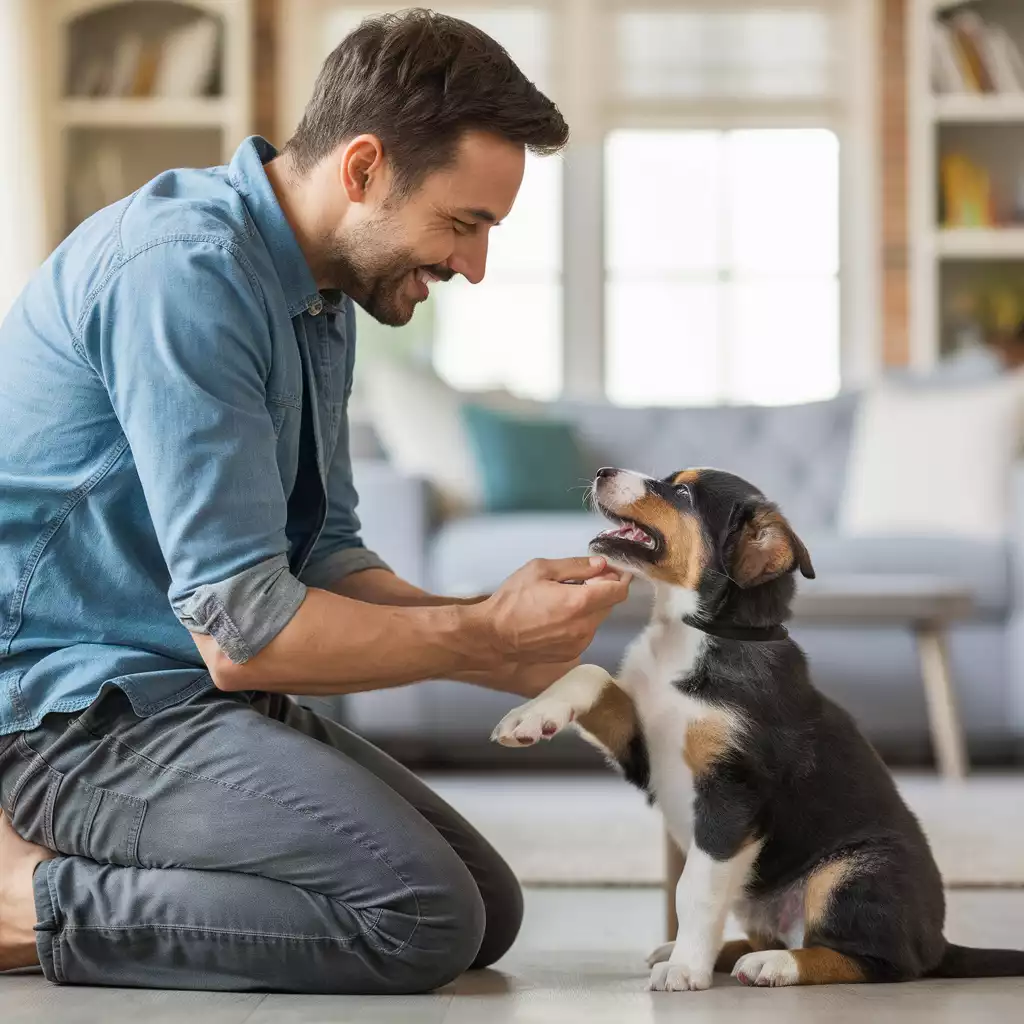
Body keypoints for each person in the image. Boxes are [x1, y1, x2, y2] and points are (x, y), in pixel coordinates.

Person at [0, 10, 630, 994]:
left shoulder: (322, 288)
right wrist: (483, 644)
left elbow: (325, 552)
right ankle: (30, 899)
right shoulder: (188, 273)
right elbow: (247, 633)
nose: (473, 265)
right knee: (417, 915)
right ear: (364, 167)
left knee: (483, 906)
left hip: (182, 695)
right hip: (68, 715)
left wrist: (484, 617)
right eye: (464, 222)